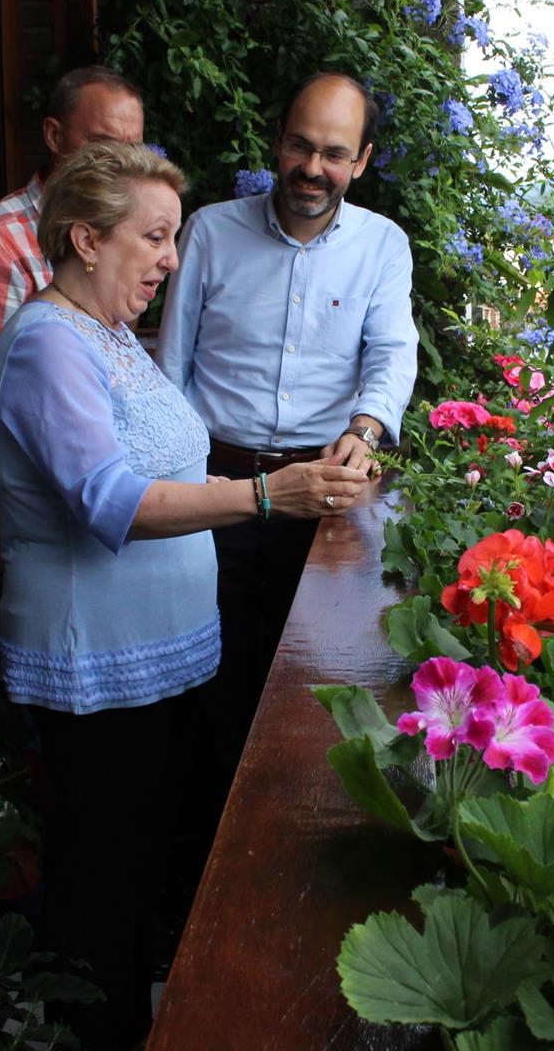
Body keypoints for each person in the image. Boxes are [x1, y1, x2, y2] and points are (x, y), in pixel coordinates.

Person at [0, 142, 366, 1048]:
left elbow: (167, 466)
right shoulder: (45, 345)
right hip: (99, 669)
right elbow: (110, 500)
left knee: (144, 883)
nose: (171, 259)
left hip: (159, 663)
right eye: (153, 237)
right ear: (85, 239)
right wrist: (268, 495)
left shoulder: (107, 333)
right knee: (101, 905)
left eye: (173, 238)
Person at [156, 71, 418, 752]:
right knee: (205, 685)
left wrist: (366, 428)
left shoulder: (382, 245)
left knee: (312, 681)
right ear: (277, 142)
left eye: (334, 153)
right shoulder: (209, 232)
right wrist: (178, 483)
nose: (312, 168)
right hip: (214, 491)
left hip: (324, 502)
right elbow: (171, 370)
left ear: (362, 160)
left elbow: (393, 353)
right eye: (301, 145)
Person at [0, 66, 144, 581]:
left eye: (131, 148)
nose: (118, 164)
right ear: (55, 136)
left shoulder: (117, 237)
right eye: (102, 145)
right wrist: (3, 515)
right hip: (29, 519)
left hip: (91, 507)